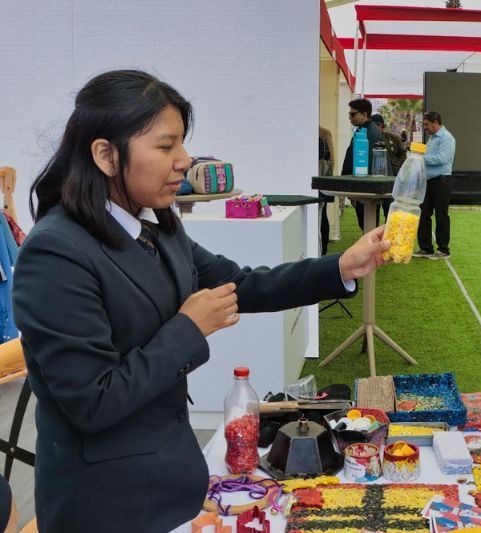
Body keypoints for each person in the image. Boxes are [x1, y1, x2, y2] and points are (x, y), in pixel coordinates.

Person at [12, 70, 390, 532]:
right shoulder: (56, 253)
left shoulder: (157, 225)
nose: (184, 161)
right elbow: (93, 401)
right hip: (107, 503)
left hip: (171, 479)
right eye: (166, 146)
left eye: (182, 144)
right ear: (106, 155)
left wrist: (340, 267)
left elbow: (242, 284)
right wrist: (188, 328)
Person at [414, 111, 456, 258]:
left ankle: (443, 249)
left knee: (441, 214)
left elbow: (442, 158)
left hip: (442, 181)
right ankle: (425, 248)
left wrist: (421, 158)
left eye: (426, 124)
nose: (425, 127)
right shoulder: (432, 138)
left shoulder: (447, 138)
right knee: (423, 213)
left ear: (435, 122)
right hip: (428, 181)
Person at [341, 98, 385, 231]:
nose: (350, 117)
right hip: (362, 187)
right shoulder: (364, 131)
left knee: (368, 226)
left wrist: (355, 189)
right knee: (366, 225)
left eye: (353, 114)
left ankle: (372, 251)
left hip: (365, 188)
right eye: (349, 114)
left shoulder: (370, 133)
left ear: (364, 114)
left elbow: (369, 164)